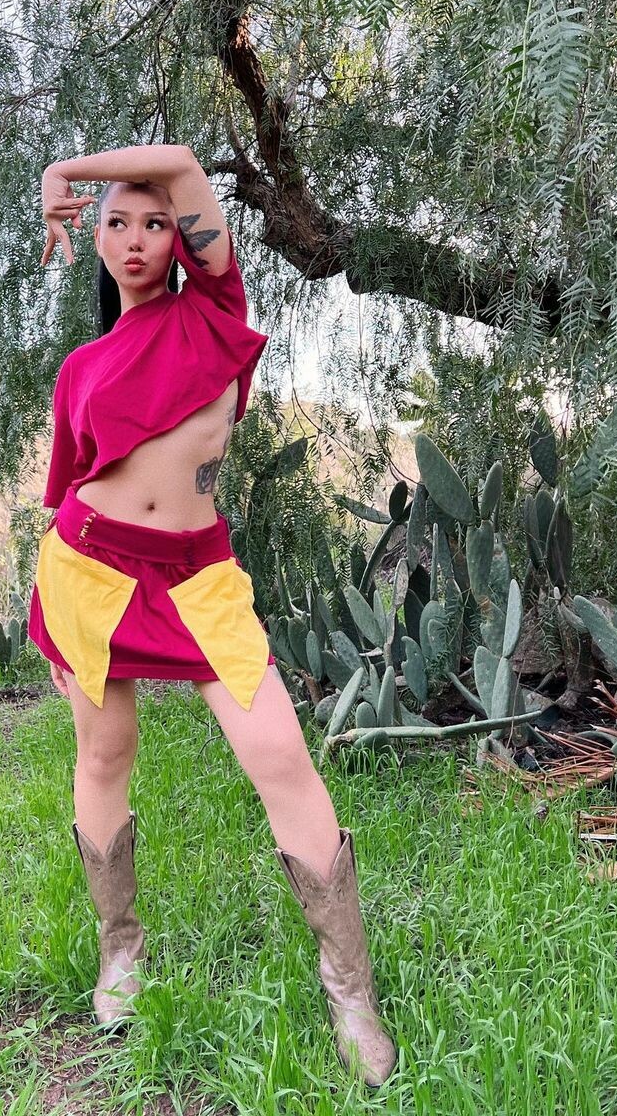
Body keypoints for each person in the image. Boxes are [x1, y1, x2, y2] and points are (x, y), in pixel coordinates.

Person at [25, 144, 396, 1087]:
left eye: (154, 223)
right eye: (116, 223)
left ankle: (350, 990)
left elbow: (185, 164)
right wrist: (49, 611)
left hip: (198, 578)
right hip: (90, 573)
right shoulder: (81, 369)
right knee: (104, 756)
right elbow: (66, 492)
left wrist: (67, 172)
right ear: (97, 241)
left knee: (281, 756)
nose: (137, 239)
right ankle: (121, 948)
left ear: (179, 238)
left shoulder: (213, 312)